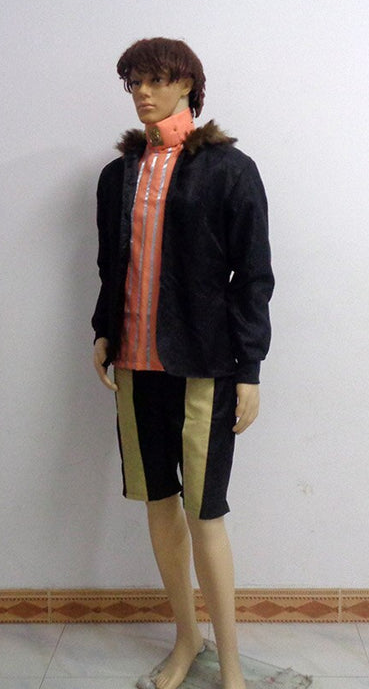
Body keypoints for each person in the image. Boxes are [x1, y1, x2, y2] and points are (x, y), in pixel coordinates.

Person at [92, 37, 273, 689]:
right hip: (135, 367)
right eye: (134, 83)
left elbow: (253, 276)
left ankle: (231, 663)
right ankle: (186, 638)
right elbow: (111, 266)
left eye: (156, 80)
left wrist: (249, 368)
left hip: (204, 365)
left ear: (188, 85)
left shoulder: (229, 170)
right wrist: (102, 331)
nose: (143, 93)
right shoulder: (118, 176)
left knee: (205, 512)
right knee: (158, 503)